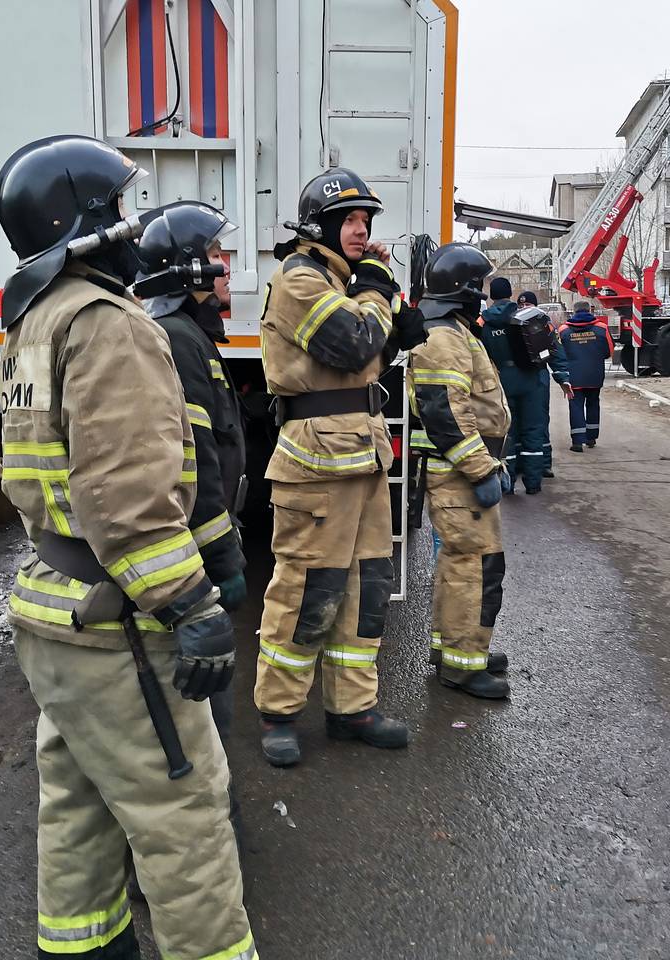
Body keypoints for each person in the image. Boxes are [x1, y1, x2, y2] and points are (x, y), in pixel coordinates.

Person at [0, 134, 255, 960]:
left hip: (52, 608)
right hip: (118, 631)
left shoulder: (33, 321)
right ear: (88, 216)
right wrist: (190, 603)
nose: (133, 222)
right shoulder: (110, 324)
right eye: (120, 205)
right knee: (182, 815)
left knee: (75, 805)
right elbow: (128, 500)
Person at [254, 166, 425, 768]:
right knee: (306, 590)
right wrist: (376, 287)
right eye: (349, 221)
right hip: (315, 458)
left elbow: (403, 333)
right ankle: (279, 712)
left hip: (364, 451)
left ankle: (353, 708)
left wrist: (384, 288)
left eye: (366, 221)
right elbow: (355, 343)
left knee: (366, 586)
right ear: (321, 226)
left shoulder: (345, 282)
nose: (360, 230)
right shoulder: (299, 279)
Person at [135, 199, 247, 829]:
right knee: (198, 706)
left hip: (193, 550)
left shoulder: (189, 336)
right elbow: (195, 465)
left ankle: (209, 813)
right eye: (214, 259)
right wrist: (224, 553)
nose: (226, 269)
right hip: (189, 557)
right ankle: (203, 824)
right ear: (188, 273)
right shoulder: (177, 341)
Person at [407, 243, 512, 699]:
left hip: (461, 472)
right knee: (472, 566)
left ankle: (458, 649)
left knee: (465, 563)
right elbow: (446, 413)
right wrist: (482, 469)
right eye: (479, 286)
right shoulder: (443, 338)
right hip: (458, 474)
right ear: (463, 288)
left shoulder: (451, 330)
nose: (483, 295)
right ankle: (461, 666)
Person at [480, 280, 569, 494]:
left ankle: (508, 485)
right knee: (533, 431)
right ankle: (533, 484)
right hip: (531, 380)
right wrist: (562, 377)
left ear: (491, 296)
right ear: (511, 294)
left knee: (507, 433)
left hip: (502, 382)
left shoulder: (483, 323)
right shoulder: (527, 316)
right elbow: (551, 347)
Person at [515, 289, 569, 478]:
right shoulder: (514, 322)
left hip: (538, 376)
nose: (524, 307)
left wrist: (563, 377)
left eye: (527, 304)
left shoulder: (543, 323)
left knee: (539, 422)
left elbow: (555, 351)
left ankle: (544, 463)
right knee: (518, 423)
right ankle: (523, 463)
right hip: (524, 377)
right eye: (521, 305)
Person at [558, 301, 614, 451]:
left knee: (575, 405)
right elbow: (609, 351)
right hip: (594, 374)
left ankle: (577, 442)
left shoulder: (564, 330)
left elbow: (559, 354)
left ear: (574, 312)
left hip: (573, 376)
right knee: (593, 403)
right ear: (589, 310)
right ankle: (591, 438)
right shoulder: (601, 328)